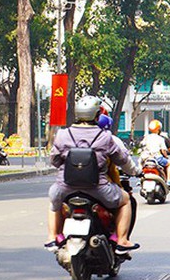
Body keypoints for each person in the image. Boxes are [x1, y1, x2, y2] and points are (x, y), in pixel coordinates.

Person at [46, 95, 141, 254]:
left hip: (65, 188)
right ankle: (122, 240)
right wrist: (137, 171)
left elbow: (54, 161)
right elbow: (122, 161)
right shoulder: (106, 137)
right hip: (99, 190)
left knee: (53, 202)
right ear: (97, 115)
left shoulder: (62, 135)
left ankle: (51, 238)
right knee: (126, 201)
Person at [139, 120, 170, 188]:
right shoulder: (160, 138)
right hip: (157, 158)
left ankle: (140, 178)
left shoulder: (146, 137)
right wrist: (166, 156)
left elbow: (141, 146)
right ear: (159, 129)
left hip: (146, 157)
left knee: (140, 163)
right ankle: (169, 181)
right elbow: (163, 150)